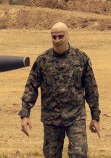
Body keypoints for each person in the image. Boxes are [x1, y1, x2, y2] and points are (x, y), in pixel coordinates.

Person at [19, 22, 101, 158]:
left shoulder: (81, 59)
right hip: (51, 119)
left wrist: (95, 117)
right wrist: (25, 115)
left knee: (79, 154)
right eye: (54, 37)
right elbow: (31, 88)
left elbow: (91, 89)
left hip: (76, 117)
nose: (57, 40)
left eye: (60, 36)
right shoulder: (42, 61)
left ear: (68, 36)